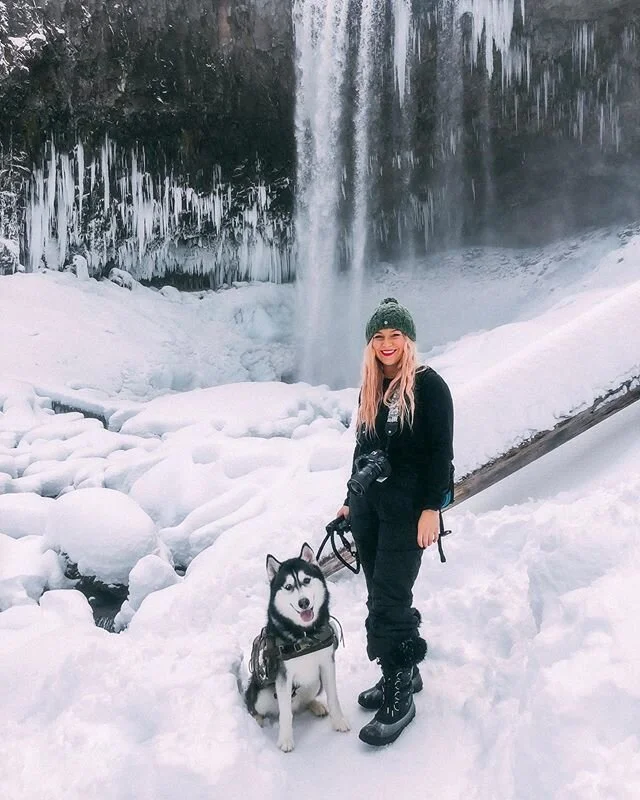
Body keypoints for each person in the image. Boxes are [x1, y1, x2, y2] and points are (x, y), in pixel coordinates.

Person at [336, 297, 454, 746]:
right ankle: (400, 670)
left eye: (395, 335)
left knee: (389, 596)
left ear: (408, 340)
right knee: (380, 592)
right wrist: (350, 501)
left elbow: (441, 454)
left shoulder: (429, 387)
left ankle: (400, 696)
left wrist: (431, 509)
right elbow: (362, 449)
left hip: (408, 511)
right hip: (370, 509)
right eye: (379, 337)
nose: (387, 344)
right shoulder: (371, 387)